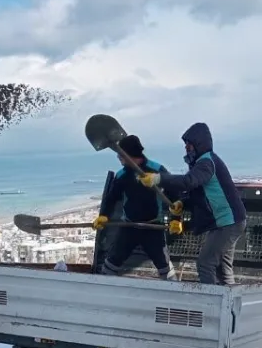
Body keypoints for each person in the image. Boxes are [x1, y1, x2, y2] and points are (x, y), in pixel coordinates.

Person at [139, 122, 246, 285]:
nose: (186, 149)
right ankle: (228, 304)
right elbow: (199, 193)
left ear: (198, 144)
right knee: (223, 270)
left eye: (188, 145)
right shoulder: (204, 163)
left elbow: (188, 181)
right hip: (229, 222)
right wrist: (183, 203)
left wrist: (159, 178)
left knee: (205, 264)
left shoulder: (206, 162)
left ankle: (211, 304)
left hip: (228, 222)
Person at [93, 134, 176, 281]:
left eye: (120, 155)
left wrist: (176, 219)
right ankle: (102, 288)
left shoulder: (156, 170)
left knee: (164, 266)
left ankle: (178, 292)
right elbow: (111, 199)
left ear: (129, 155)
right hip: (129, 226)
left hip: (153, 226)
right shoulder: (122, 175)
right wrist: (104, 215)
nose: (119, 158)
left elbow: (174, 194)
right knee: (112, 262)